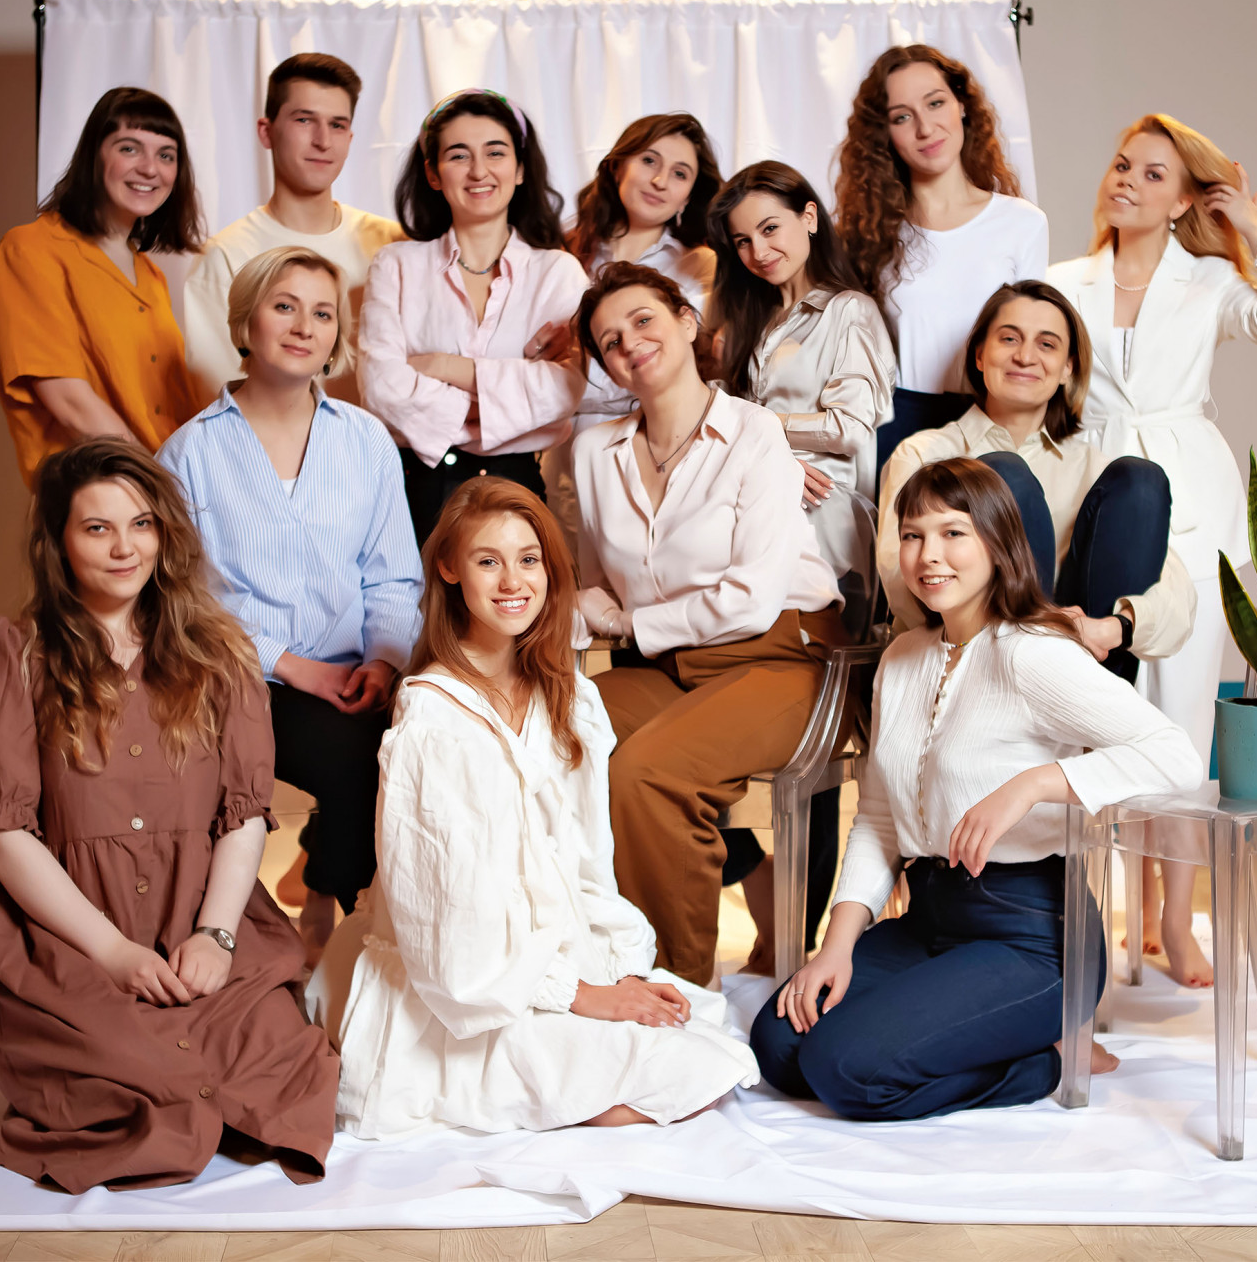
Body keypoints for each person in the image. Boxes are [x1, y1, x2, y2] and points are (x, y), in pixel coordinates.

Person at [750, 457, 1204, 1121]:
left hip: (1031, 936)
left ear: (996, 544)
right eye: (912, 535)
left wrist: (1034, 784)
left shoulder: (1035, 652)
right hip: (930, 921)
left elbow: (1176, 756)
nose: (928, 555)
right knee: (779, 1046)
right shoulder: (902, 658)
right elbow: (878, 816)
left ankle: (1051, 1058)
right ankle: (990, 1034)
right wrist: (836, 946)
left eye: (953, 533)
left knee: (845, 1069)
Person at [0, 438, 337, 1191]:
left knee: (282, 1064)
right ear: (58, 541)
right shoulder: (13, 653)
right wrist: (113, 954)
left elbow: (244, 815)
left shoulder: (220, 652)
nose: (125, 547)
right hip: (67, 933)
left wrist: (217, 937)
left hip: (200, 912)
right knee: (129, 1076)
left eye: (141, 524)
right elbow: (2, 837)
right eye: (97, 527)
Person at [329, 478, 760, 1138]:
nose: (513, 581)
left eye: (528, 559)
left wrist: (618, 970)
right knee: (682, 1080)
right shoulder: (434, 723)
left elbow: (587, 860)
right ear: (449, 569)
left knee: (708, 1051)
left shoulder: (566, 695)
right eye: (488, 560)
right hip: (472, 986)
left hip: (553, 953)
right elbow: (452, 934)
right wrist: (580, 997)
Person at [1047, 114, 1257, 987]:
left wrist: (1252, 225)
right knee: (1099, 713)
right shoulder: (1061, 282)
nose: (1126, 180)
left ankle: (1174, 917)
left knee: (1181, 723)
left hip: (1193, 509)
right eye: (1122, 164)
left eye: (1153, 174)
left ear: (1184, 199)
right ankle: (1109, 912)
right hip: (1094, 504)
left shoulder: (1209, 282)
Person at [571, 262, 846, 988]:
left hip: (785, 655)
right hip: (668, 665)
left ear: (687, 322)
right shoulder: (592, 452)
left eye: (643, 320)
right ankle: (588, 959)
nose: (629, 343)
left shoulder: (756, 433)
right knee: (551, 729)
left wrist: (628, 623)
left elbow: (752, 599)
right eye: (609, 340)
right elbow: (594, 584)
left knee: (646, 772)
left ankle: (678, 992)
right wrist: (582, 615)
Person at [158, 246, 423, 967]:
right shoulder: (188, 453)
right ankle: (344, 931)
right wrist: (294, 665)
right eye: (285, 306)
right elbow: (182, 603)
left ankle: (346, 900)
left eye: (323, 313)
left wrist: (383, 662)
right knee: (357, 757)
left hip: (358, 670)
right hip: (239, 678)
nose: (305, 326)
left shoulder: (366, 439)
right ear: (246, 321)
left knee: (418, 746)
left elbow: (393, 578)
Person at [877, 281, 1194, 685]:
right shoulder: (924, 455)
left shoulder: (1094, 471)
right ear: (980, 355)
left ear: (1068, 368)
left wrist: (1111, 628)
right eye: (1009, 338)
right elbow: (900, 581)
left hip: (1084, 672)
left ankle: (1085, 708)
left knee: (1142, 479)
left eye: (1046, 344)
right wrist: (1037, 627)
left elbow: (1177, 597)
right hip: (972, 668)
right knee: (1002, 475)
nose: (1025, 356)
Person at [357, 89, 589, 541]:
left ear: (520, 169)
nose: (479, 171)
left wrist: (443, 366)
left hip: (519, 485)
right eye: (459, 155)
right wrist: (513, 410)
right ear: (433, 173)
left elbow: (568, 389)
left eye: (495, 153)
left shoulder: (558, 272)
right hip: (414, 490)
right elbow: (381, 391)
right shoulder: (396, 265)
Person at [835, 45, 1047, 470]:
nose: (925, 128)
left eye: (935, 103)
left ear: (962, 105)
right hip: (895, 426)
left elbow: (1033, 337)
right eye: (902, 117)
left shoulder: (1023, 223)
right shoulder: (869, 235)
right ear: (884, 134)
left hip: (990, 423)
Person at [0, 87, 207, 486]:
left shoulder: (150, 276)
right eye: (129, 148)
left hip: (162, 493)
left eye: (166, 155)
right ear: (94, 155)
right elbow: (69, 402)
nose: (150, 169)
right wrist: (161, 484)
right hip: (96, 494)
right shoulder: (31, 250)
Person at [708, 162, 894, 579]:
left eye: (770, 228)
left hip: (823, 514)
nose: (758, 252)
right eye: (743, 241)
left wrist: (754, 422)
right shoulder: (747, 325)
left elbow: (849, 429)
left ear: (809, 217)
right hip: (750, 501)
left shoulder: (849, 311)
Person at [183, 54, 405, 400]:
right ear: (266, 131)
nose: (323, 140)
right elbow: (218, 398)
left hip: (385, 435)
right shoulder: (225, 256)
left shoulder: (392, 244)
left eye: (337, 125)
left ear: (350, 137)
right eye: (304, 120)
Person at [549, 114, 723, 557]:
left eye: (680, 173)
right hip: (557, 452)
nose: (661, 180)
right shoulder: (559, 252)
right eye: (649, 161)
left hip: (656, 451)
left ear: (689, 195)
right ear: (617, 165)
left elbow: (683, 373)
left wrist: (567, 364)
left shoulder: (699, 268)